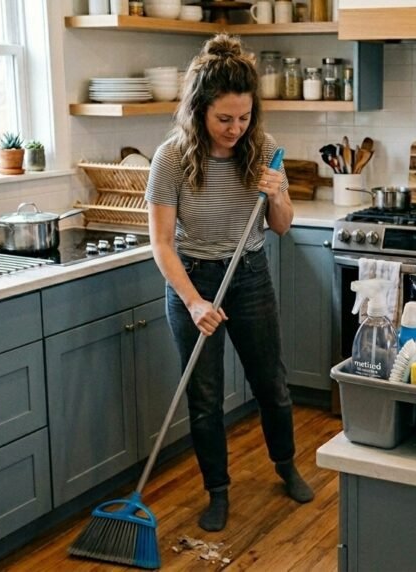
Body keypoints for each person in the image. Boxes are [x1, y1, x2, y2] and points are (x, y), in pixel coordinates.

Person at [145, 34, 314, 533]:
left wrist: (279, 194)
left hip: (250, 276)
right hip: (193, 280)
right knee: (205, 398)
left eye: (244, 117)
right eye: (224, 119)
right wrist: (194, 302)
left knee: (272, 386)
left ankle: (285, 465)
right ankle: (217, 491)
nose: (236, 129)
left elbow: (282, 226)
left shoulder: (262, 149)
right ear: (199, 111)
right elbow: (161, 244)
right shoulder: (171, 158)